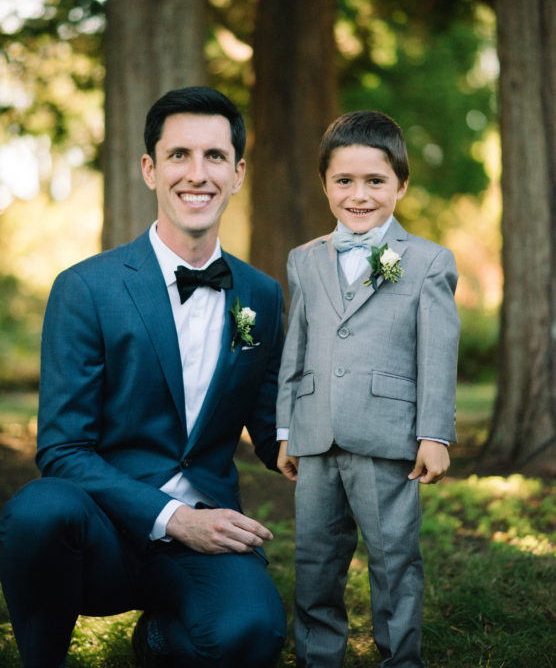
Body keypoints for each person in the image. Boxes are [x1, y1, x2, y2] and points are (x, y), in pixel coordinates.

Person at [0, 87, 287, 668]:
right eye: (179, 155)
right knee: (37, 511)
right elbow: (61, 449)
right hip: (101, 532)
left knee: (252, 636)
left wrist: (365, 430)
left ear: (237, 174)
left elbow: (272, 426)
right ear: (150, 170)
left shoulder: (261, 294)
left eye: (215, 156)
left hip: (206, 534)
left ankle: (157, 641)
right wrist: (173, 518)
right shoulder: (86, 288)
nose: (197, 173)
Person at [276, 110, 460, 668]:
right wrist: (285, 430)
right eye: (344, 181)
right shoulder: (304, 259)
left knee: (392, 558)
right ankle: (318, 657)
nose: (359, 195)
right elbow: (296, 348)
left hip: (387, 436)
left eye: (375, 181)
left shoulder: (427, 261)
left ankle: (400, 658)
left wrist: (434, 434)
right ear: (325, 185)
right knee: (315, 561)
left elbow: (437, 353)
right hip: (316, 435)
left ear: (400, 185)